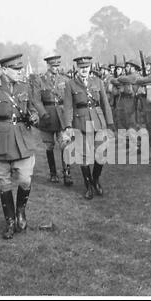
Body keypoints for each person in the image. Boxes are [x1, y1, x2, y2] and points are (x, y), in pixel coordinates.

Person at [0, 54, 39, 239]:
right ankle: (10, 221)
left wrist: (34, 116)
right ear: (4, 70)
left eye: (20, 69)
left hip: (22, 140)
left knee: (25, 179)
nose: (20, 72)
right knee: (4, 182)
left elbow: (32, 108)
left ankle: (20, 211)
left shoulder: (25, 87)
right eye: (16, 69)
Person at [63, 56, 114, 200]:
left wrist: (110, 123)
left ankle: (95, 179)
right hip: (81, 122)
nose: (84, 70)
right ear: (77, 69)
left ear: (90, 67)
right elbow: (68, 107)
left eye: (86, 67)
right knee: (84, 156)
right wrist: (68, 125)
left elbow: (105, 103)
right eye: (81, 67)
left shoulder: (97, 82)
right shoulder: (70, 84)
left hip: (98, 121)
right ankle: (88, 186)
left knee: (101, 154)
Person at [31, 55, 73, 186]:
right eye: (53, 66)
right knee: (49, 146)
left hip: (61, 116)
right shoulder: (39, 80)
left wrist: (68, 117)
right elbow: (36, 100)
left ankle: (67, 174)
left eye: (57, 65)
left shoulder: (65, 79)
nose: (56, 68)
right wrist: (43, 114)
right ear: (48, 66)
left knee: (65, 145)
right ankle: (53, 173)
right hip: (47, 116)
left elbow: (69, 100)